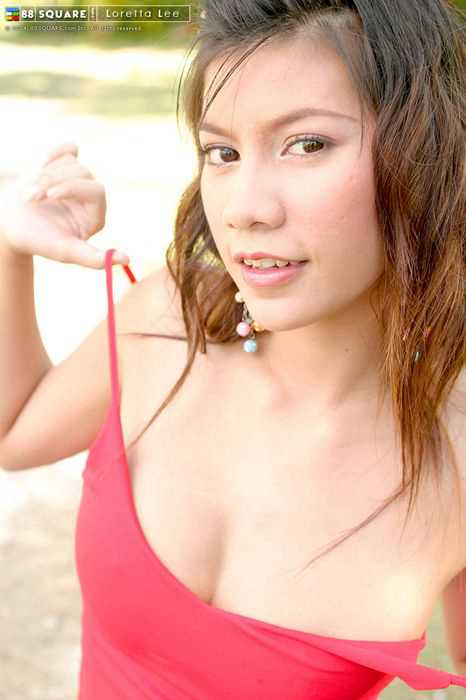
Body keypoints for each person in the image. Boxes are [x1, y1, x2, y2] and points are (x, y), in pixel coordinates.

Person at [0, 0, 465, 698]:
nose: (245, 208)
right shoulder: (171, 318)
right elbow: (13, 432)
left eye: (307, 144)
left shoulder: (455, 446)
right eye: (222, 152)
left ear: (426, 149)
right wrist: (10, 252)